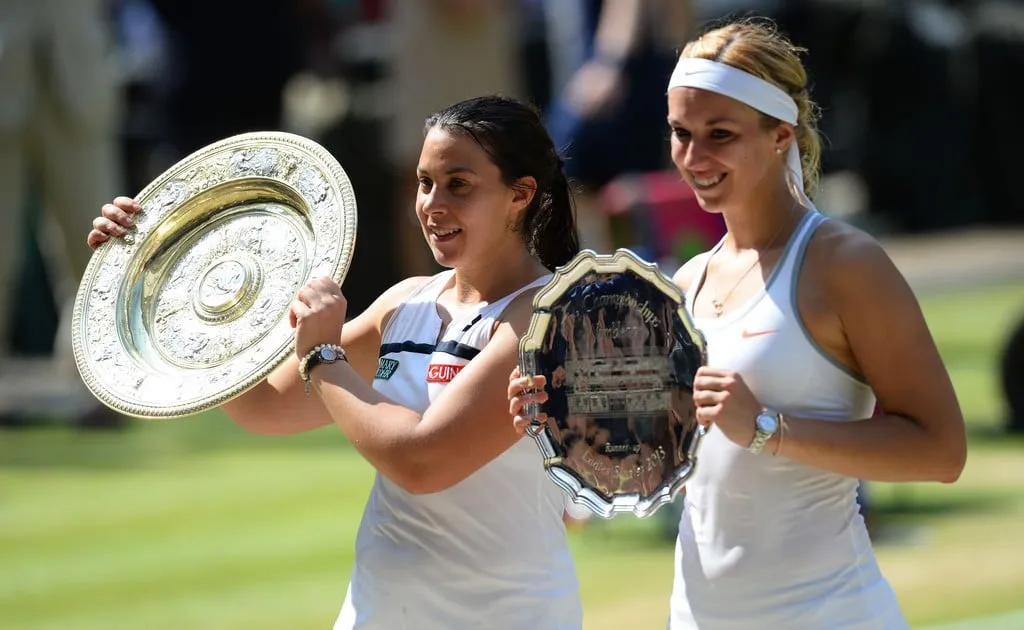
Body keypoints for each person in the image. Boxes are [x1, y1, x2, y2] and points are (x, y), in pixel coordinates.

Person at [509, 18, 967, 629]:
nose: (693, 158)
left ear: (781, 134)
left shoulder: (845, 265)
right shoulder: (686, 282)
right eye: (680, 133)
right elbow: (657, 456)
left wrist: (769, 429)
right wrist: (562, 423)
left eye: (719, 134)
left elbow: (942, 451)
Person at [88, 95, 583, 629]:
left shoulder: (548, 320)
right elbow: (264, 407)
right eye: (424, 182)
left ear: (520, 194)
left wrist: (324, 357)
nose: (432, 204)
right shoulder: (407, 301)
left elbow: (423, 461)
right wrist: (155, 265)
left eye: (458, 185)